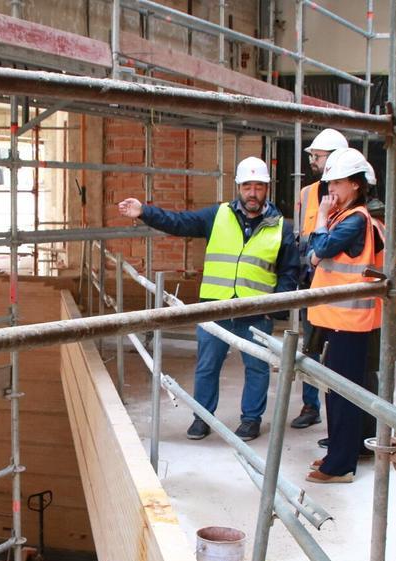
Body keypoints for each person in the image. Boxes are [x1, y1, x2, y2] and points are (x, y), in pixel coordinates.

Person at [117, 157, 300, 442]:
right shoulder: (218, 215)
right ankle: (202, 417)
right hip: (214, 308)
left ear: (267, 189)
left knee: (256, 368)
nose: (253, 192)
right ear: (238, 187)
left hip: (255, 312)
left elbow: (290, 271)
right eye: (248, 186)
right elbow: (179, 223)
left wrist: (275, 305)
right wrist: (145, 212)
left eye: (259, 187)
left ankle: (251, 420)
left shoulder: (281, 228)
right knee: (207, 366)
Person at [305, 149, 385, 484]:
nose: (330, 190)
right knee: (335, 391)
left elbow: (319, 250)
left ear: (355, 184)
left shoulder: (354, 219)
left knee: (343, 394)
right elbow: (313, 251)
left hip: (349, 322)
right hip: (337, 319)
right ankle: (339, 453)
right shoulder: (348, 217)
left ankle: (340, 466)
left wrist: (321, 217)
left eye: (336, 182)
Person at [290, 129, 349, 430]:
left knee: (339, 353)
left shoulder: (350, 197)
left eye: (318, 156)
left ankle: (341, 412)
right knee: (310, 347)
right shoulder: (306, 194)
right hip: (311, 283)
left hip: (339, 288)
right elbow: (301, 239)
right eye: (313, 156)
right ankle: (311, 405)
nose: (313, 161)